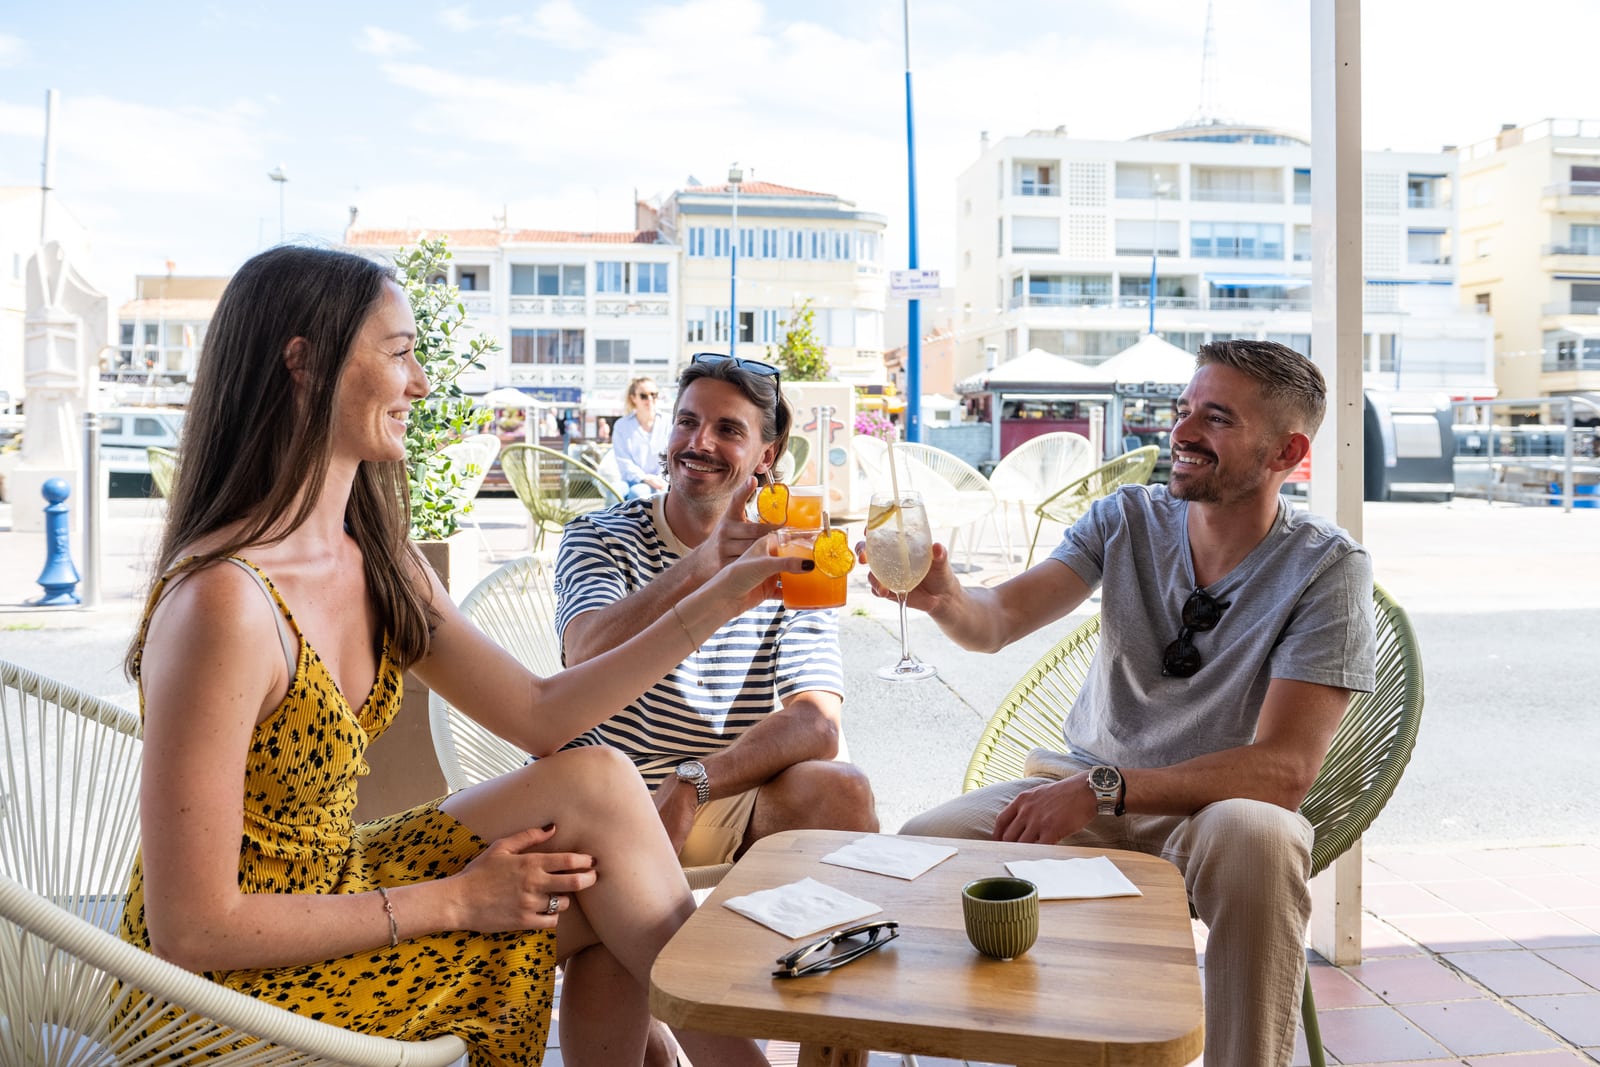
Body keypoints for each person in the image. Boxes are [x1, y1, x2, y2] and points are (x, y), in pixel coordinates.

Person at [117, 246, 790, 1067]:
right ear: (303, 364)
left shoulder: (376, 552)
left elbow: (543, 713)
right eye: (399, 353)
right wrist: (455, 901)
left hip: (340, 879)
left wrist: (724, 590)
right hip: (233, 989)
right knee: (613, 875)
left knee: (601, 791)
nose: (422, 382)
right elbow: (194, 927)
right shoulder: (224, 601)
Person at [879, 340, 1375, 1067]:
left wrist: (1107, 788)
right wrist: (945, 598)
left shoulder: (1325, 568)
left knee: (1259, 838)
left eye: (1216, 417)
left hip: (1206, 816)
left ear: (1286, 452)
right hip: (1077, 793)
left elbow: (1283, 770)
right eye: (1182, 411)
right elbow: (998, 620)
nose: (1181, 432)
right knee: (923, 843)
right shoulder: (1126, 519)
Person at [556, 352, 877, 872]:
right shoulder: (600, 536)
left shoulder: (793, 553)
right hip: (606, 794)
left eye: (728, 429)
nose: (699, 443)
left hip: (717, 790)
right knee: (615, 959)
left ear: (765, 455)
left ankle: (776, 943)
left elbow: (817, 724)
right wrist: (704, 566)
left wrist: (693, 782)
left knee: (843, 790)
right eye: (687, 421)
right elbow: (583, 653)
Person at [612, 376, 670, 499]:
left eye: (654, 395)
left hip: (660, 481)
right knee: (614, 491)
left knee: (638, 493)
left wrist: (658, 479)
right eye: (643, 395)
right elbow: (623, 460)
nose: (649, 399)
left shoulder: (669, 422)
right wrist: (644, 477)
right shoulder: (621, 425)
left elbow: (671, 456)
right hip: (630, 479)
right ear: (633, 398)